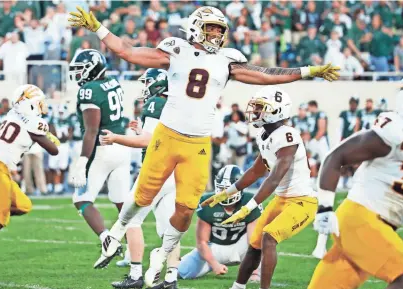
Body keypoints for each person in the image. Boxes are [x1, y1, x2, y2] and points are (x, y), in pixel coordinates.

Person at [68, 6, 339, 287]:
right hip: (167, 135)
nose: (216, 34)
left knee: (185, 208)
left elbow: (265, 74)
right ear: (197, 27)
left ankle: (161, 255)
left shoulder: (226, 60)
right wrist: (98, 28)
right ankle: (117, 230)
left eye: (220, 30)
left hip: (197, 144)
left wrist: (308, 71)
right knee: (141, 197)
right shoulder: (176, 49)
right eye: (211, 28)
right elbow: (128, 51)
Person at [201, 86, 318, 289]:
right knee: (254, 245)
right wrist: (225, 193)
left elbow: (274, 178)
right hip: (281, 200)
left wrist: (249, 207)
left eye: (260, 107)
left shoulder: (288, 135)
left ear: (277, 110)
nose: (254, 112)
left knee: (268, 237)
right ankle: (237, 287)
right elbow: (255, 171)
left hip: (302, 202)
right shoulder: (264, 135)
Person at [308, 75, 403, 289]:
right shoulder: (396, 129)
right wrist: (325, 207)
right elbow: (336, 156)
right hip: (361, 219)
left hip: (373, 226)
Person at [95, 68, 177, 288]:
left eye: (148, 82)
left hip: (155, 171)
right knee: (169, 228)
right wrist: (142, 130)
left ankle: (135, 275)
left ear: (157, 84)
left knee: (131, 219)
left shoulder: (155, 103)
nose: (145, 86)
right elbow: (159, 136)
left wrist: (116, 138)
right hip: (174, 172)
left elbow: (148, 142)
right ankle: (170, 278)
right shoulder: (175, 103)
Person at [0, 85, 59, 259]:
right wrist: (50, 137)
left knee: (23, 205)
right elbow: (54, 150)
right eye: (38, 103)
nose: (41, 105)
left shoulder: (12, 114)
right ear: (30, 105)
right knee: (0, 218)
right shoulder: (35, 124)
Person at [68, 49, 132, 254]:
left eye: (81, 69)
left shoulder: (89, 89)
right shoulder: (112, 82)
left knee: (81, 199)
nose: (78, 74)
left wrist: (82, 161)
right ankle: (133, 251)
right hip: (121, 145)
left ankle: (107, 240)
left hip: (103, 148)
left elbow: (92, 130)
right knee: (122, 203)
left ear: (92, 68)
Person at [178, 165, 261, 281]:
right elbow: (202, 242)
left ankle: (256, 271)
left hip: (241, 248)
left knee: (262, 239)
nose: (225, 192)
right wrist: (214, 264)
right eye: (221, 188)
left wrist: (254, 271)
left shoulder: (249, 202)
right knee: (182, 272)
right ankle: (192, 263)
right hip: (215, 249)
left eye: (229, 188)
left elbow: (253, 241)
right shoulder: (208, 203)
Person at [337, 97, 360, 188]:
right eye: (352, 103)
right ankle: (342, 179)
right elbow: (339, 128)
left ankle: (351, 178)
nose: (353, 105)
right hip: (345, 140)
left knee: (355, 161)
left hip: (356, 141)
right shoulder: (344, 114)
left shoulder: (360, 113)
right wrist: (340, 139)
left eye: (355, 103)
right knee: (343, 161)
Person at [48, 104, 70, 194]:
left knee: (63, 167)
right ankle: (51, 185)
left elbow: (69, 134)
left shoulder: (68, 121)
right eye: (59, 112)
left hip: (64, 145)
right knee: (52, 166)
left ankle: (59, 186)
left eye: (62, 112)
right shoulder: (53, 120)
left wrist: (63, 136)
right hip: (55, 145)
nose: (61, 114)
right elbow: (51, 131)